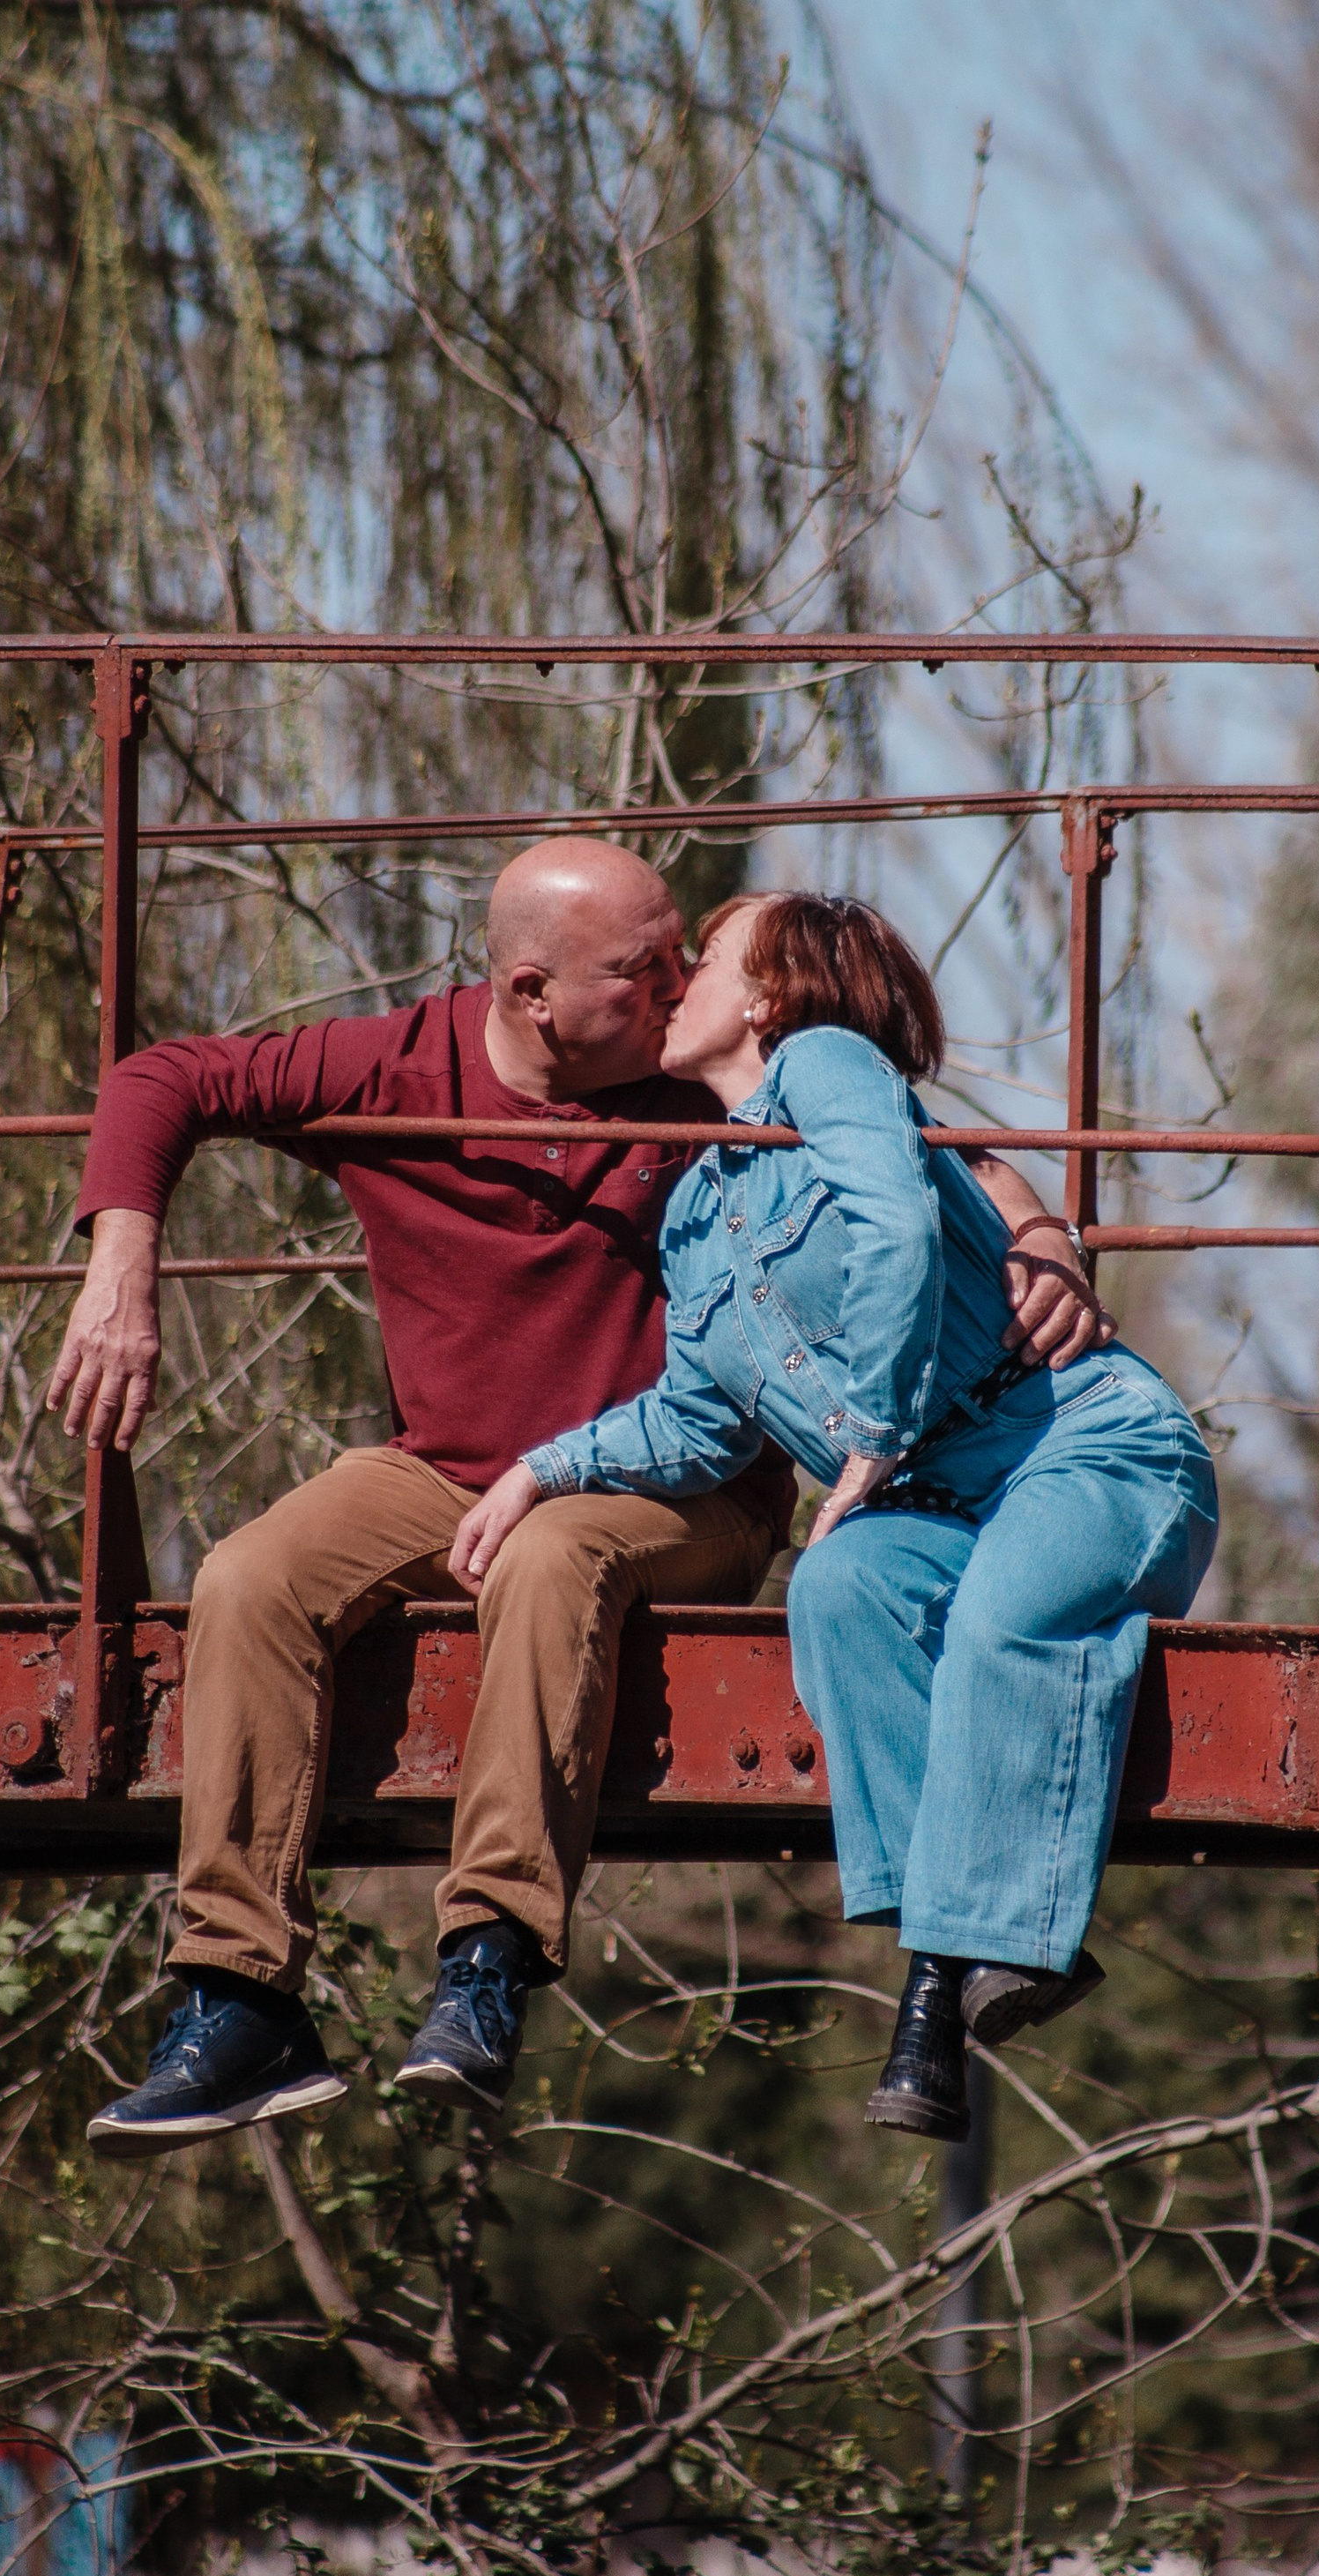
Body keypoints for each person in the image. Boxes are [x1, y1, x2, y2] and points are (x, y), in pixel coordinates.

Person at [47, 841, 1108, 2154]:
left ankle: (486, 1963)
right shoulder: (396, 1070)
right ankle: (237, 1993)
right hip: (450, 1471)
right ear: (534, 994)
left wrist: (1044, 1234)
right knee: (247, 1577)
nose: (679, 984)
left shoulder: (699, 1073)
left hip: (684, 1486)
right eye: (642, 967)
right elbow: (167, 1078)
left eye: (683, 952)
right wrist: (122, 1263)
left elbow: (921, 1153)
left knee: (554, 1553)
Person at [449, 890, 1218, 2144]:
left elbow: (900, 1229)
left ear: (767, 998)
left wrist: (869, 1428)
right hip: (942, 1497)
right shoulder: (696, 1214)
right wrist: (545, 1469)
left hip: (1083, 1443)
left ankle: (941, 1987)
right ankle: (983, 1951)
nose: (681, 975)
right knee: (841, 1586)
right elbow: (701, 1422)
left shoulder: (827, 1067)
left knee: (1002, 1615)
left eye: (710, 959)